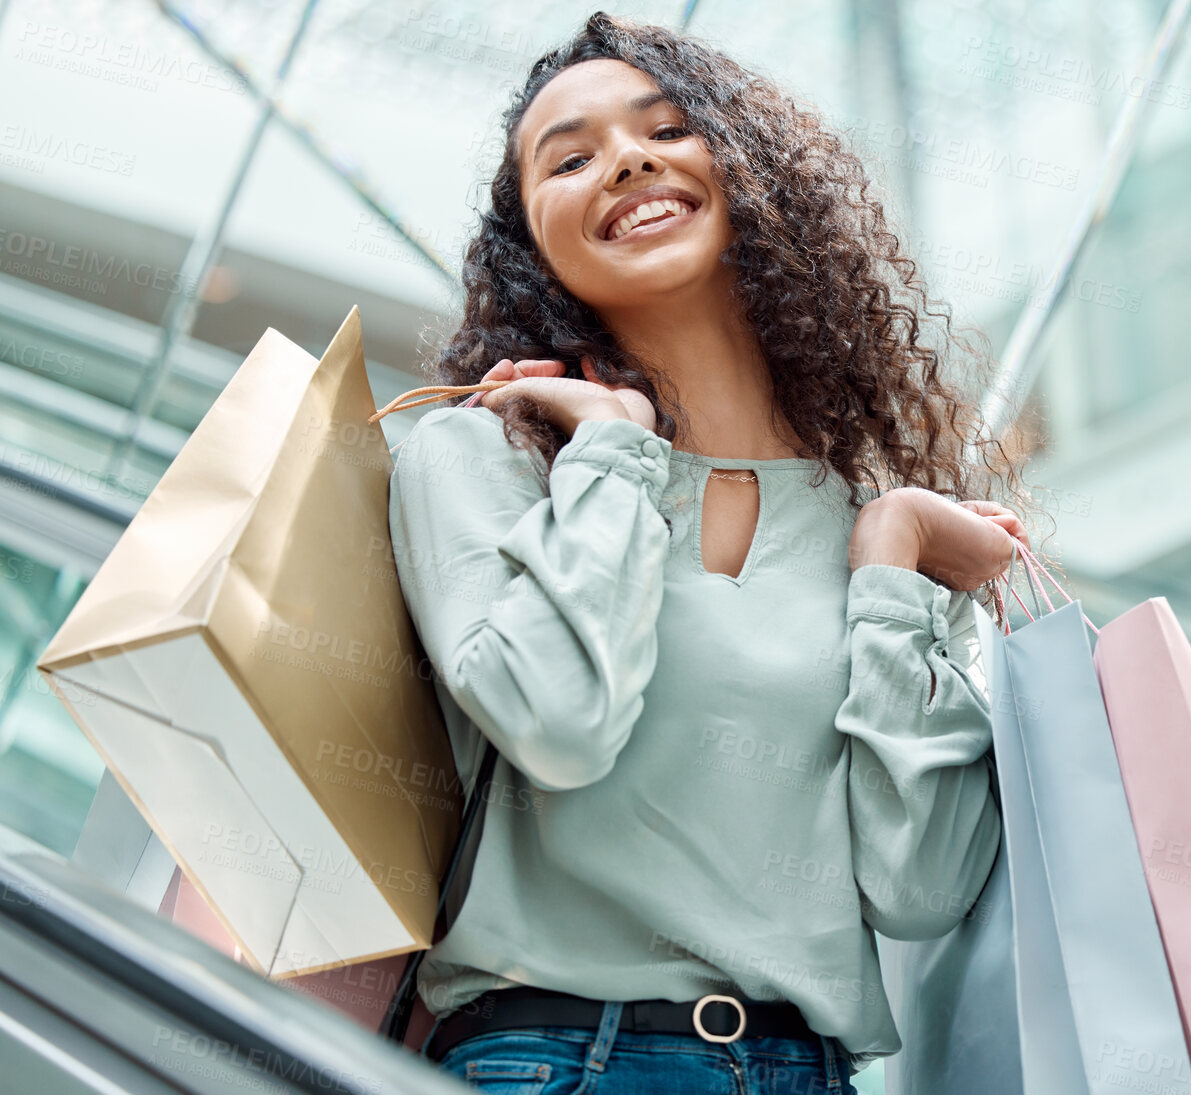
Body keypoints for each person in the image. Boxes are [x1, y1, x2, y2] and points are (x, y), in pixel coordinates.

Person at [387, 11, 1044, 1093]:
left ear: (748, 169)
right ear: (530, 238)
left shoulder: (876, 521)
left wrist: (891, 559)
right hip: (557, 1057)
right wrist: (612, 446)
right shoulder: (486, 458)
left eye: (665, 128)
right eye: (570, 156)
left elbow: (919, 888)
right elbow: (557, 725)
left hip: (810, 1068)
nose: (627, 160)